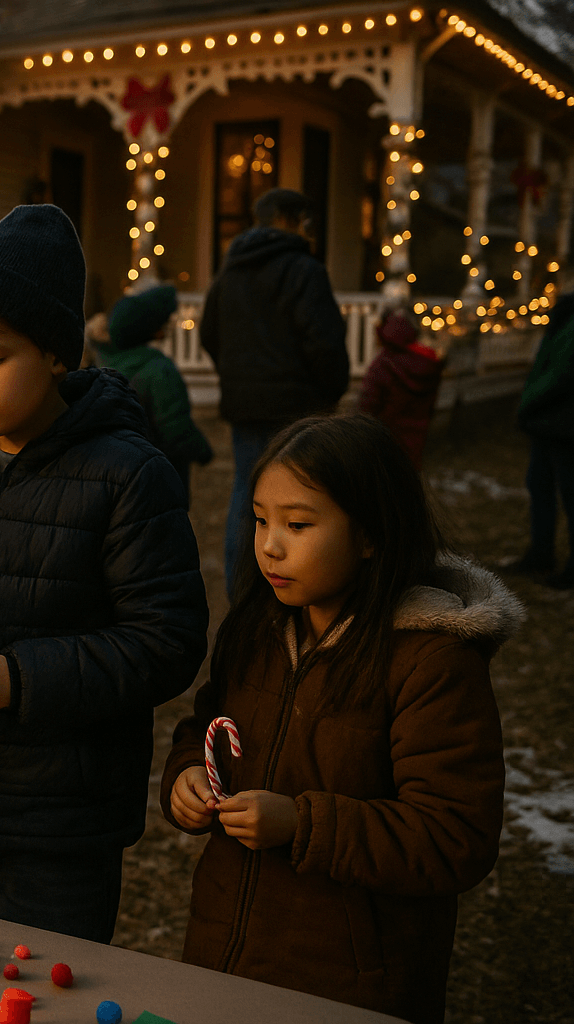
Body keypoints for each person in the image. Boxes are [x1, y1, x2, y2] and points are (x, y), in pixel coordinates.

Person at [0, 205, 209, 941]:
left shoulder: (126, 475)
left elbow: (167, 639)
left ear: (55, 353)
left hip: (63, 821)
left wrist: (21, 679)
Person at [162, 415, 519, 1024]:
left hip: (351, 985)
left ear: (371, 534)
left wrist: (301, 823)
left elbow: (455, 836)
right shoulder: (259, 629)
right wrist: (190, 772)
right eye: (259, 519)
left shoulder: (430, 663)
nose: (270, 544)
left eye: (298, 524)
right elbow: (208, 724)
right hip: (223, 953)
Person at [201, 188, 350, 595]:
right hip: (297, 408)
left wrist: (237, 376)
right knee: (301, 502)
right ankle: (298, 589)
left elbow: (208, 332)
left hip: (246, 404)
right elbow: (324, 342)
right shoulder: (304, 270)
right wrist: (331, 391)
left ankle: (243, 596)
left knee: (248, 497)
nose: (309, 228)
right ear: (288, 218)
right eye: (305, 219)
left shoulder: (230, 272)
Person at [95, 284, 213, 497]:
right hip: (161, 475)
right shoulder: (159, 372)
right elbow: (175, 427)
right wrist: (203, 451)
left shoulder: (105, 366)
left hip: (117, 477)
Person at [509, 310, 574, 588]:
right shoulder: (563, 317)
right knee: (540, 484)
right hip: (548, 423)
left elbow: (561, 374)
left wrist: (528, 402)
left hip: (564, 424)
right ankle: (541, 553)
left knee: (570, 495)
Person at [356, 309, 443, 470]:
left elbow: (368, 405)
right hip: (415, 441)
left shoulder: (383, 364)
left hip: (383, 440)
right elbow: (430, 407)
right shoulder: (428, 363)